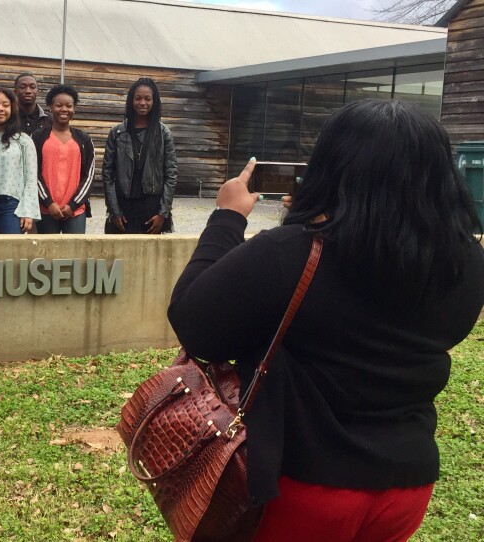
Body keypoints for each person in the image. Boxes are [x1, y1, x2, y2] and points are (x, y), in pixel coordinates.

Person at [167, 100, 484, 542]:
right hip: (406, 486)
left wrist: (226, 219)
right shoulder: (467, 261)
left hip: (300, 484)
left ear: (331, 168)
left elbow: (193, 321)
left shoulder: (290, 252)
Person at [102, 78, 177, 234]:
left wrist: (163, 213)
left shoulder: (163, 133)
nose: (142, 103)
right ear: (131, 100)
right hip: (123, 208)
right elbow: (107, 174)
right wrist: (114, 211)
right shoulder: (117, 133)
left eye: (147, 98)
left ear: (154, 101)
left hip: (153, 209)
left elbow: (171, 175)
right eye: (138, 98)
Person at [30, 84, 94, 234]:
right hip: (46, 209)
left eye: (69, 106)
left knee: (74, 249)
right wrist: (48, 203)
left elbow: (89, 176)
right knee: (46, 249)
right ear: (50, 108)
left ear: (74, 109)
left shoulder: (84, 140)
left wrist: (73, 205)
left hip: (75, 210)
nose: (64, 109)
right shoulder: (38, 137)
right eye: (59, 105)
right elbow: (32, 173)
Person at [0, 88, 40, 233]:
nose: (0, 109)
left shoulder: (23, 140)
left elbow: (31, 178)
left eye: (5, 105)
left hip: (11, 205)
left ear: (12, 109)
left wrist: (27, 211)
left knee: (11, 247)